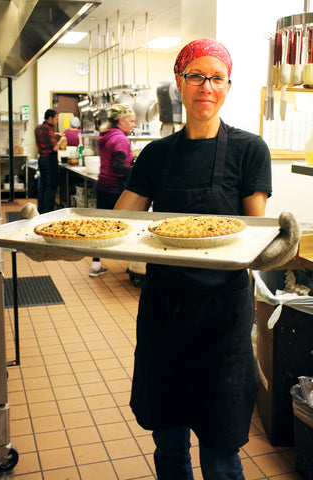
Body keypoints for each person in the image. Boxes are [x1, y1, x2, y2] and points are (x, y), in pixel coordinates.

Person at [114, 38, 273, 480]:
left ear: (228, 85)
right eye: (196, 76)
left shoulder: (249, 149)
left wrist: (277, 246)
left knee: (221, 449)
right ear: (180, 83)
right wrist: (68, 238)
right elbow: (119, 222)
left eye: (216, 78)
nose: (207, 87)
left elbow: (253, 238)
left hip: (223, 317)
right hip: (165, 310)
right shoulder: (157, 154)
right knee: (168, 442)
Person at [89, 103, 136, 277]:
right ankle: (133, 265)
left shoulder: (107, 135)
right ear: (121, 120)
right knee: (126, 225)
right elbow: (118, 167)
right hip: (116, 189)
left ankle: (95, 264)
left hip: (103, 185)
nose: (133, 125)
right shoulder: (120, 138)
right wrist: (139, 170)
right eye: (131, 121)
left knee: (101, 226)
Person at [35, 109, 66, 214]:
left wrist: (55, 134)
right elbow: (54, 148)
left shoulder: (38, 128)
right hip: (49, 161)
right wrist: (61, 141)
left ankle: (41, 210)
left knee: (43, 186)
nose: (57, 121)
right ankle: (48, 212)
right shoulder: (48, 130)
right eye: (56, 118)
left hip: (42, 160)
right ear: (50, 118)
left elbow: (45, 135)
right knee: (51, 187)